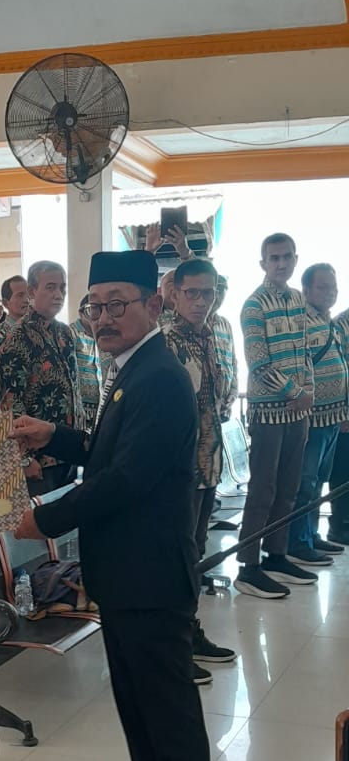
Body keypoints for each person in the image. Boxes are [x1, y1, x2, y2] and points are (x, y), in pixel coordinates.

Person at [13, 250, 212, 761]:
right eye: (94, 307)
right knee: (139, 707)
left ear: (153, 305)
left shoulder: (160, 378)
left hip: (151, 577)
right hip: (126, 575)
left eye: (117, 304)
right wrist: (54, 435)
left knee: (168, 712)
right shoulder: (130, 371)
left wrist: (44, 520)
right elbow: (108, 452)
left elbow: (126, 478)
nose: (102, 318)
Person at [165, 259, 236, 671]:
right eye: (191, 293)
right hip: (180, 472)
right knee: (176, 558)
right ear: (175, 294)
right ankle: (173, 642)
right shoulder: (167, 342)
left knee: (196, 551)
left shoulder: (211, 336)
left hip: (208, 465)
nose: (200, 301)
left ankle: (188, 630)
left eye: (207, 293)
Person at [235, 233, 315, 599]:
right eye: (274, 258)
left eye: (286, 257)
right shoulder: (254, 305)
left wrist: (308, 392)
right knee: (263, 490)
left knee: (289, 488)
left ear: (295, 259)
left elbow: (305, 353)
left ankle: (276, 555)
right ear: (263, 263)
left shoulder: (298, 300)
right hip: (269, 412)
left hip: (298, 412)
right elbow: (259, 364)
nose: (281, 263)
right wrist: (296, 393)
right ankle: (248, 566)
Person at [0, 260, 83, 494]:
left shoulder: (64, 333)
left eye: (62, 288)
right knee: (41, 515)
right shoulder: (17, 338)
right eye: (50, 287)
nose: (59, 295)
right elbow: (10, 404)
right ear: (32, 291)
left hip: (68, 450)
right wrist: (24, 459)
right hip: (39, 459)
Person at [286, 263, 349, 566]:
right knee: (305, 482)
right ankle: (297, 542)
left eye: (333, 287)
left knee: (320, 480)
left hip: (333, 416)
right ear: (306, 290)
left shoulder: (329, 322)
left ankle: (311, 534)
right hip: (312, 419)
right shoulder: (302, 322)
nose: (329, 293)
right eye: (322, 287)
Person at [70, 295, 102, 430]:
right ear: (81, 313)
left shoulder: (102, 335)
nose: (95, 316)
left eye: (98, 311)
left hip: (99, 407)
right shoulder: (71, 333)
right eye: (91, 311)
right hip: (79, 408)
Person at [210, 274, 238, 420]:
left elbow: (233, 361)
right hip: (203, 405)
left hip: (225, 405)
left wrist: (233, 392)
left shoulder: (225, 324)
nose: (217, 295)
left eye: (221, 290)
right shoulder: (195, 323)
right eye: (214, 289)